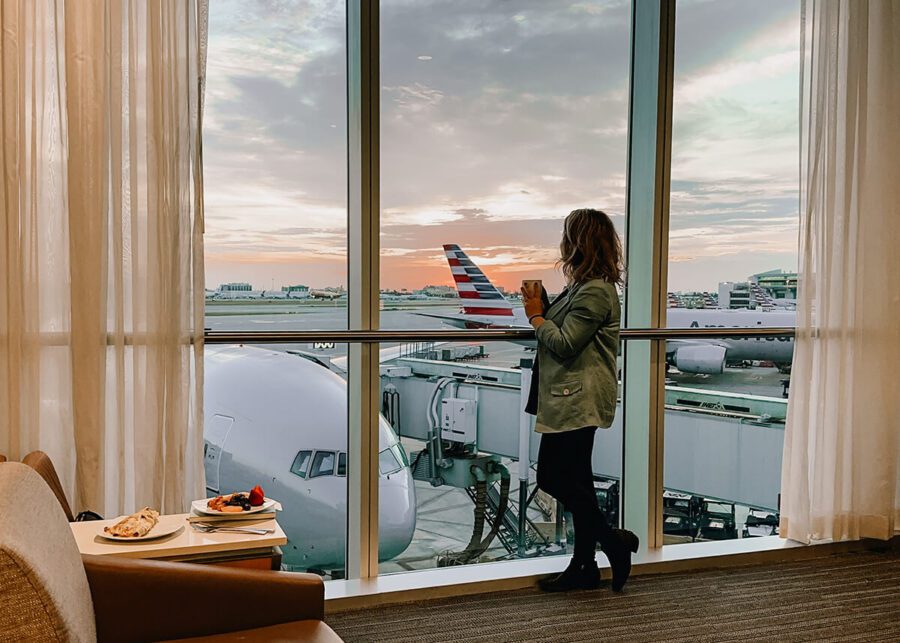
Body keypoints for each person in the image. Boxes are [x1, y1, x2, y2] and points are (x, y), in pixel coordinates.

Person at [521, 208, 638, 593]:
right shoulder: (583, 287)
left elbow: (566, 343)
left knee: (551, 477)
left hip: (578, 399)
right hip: (572, 397)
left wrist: (536, 317)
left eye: (567, 235)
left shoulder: (595, 291)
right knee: (580, 482)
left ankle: (612, 542)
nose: (563, 242)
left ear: (579, 243)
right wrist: (547, 305)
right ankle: (584, 566)